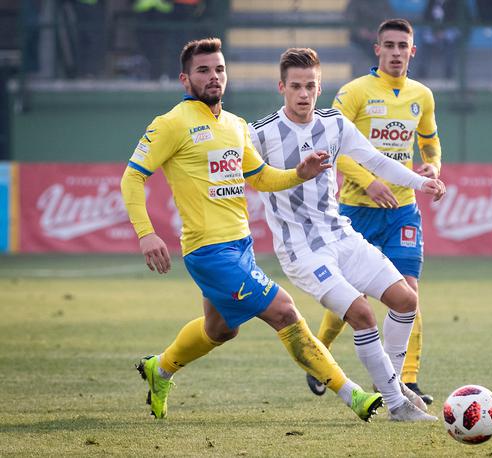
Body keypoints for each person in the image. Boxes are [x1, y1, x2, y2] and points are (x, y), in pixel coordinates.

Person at [120, 37, 384, 422]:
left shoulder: (235, 125)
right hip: (209, 252)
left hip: (240, 245)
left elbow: (259, 177)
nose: (214, 77)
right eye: (203, 70)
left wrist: (299, 173)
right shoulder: (171, 125)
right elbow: (132, 178)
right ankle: (353, 395)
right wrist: (146, 233)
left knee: (221, 330)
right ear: (184, 79)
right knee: (286, 313)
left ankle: (159, 370)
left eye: (220, 69)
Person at [248, 48, 446, 421]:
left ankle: (394, 383)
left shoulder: (334, 124)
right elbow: (231, 172)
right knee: (361, 313)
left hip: (340, 235)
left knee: (405, 300)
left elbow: (375, 160)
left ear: (319, 87)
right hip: (302, 250)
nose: (303, 94)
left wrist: (422, 181)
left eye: (310, 86)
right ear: (281, 87)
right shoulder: (260, 134)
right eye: (295, 87)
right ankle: (396, 403)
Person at [311, 18, 442, 405]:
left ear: (413, 51)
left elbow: (430, 142)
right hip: (356, 209)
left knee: (409, 292)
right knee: (352, 299)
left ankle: (406, 379)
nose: (397, 52)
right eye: (390, 45)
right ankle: (318, 355)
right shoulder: (354, 92)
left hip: (402, 209)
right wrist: (369, 180)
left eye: (404, 46)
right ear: (378, 49)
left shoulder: (422, 95)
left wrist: (433, 167)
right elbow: (331, 149)